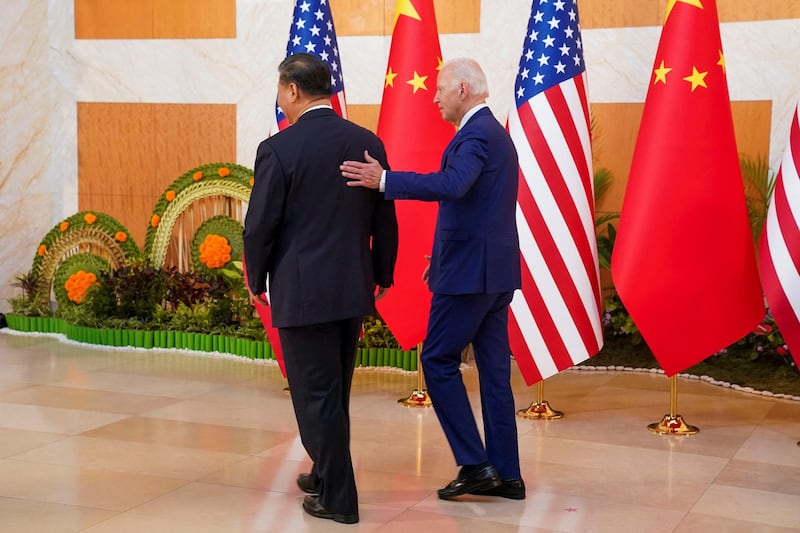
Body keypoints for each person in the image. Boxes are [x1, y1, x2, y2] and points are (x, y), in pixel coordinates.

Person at [340, 57, 525, 501]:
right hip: (492, 273)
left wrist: (384, 180)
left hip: (469, 279)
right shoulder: (491, 134)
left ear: (463, 88)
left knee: (438, 360)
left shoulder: (477, 134)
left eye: (440, 89)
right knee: (495, 375)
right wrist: (441, 255)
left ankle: (476, 465)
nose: (434, 96)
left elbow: (453, 185)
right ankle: (507, 474)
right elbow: (476, 207)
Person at [243, 53, 398, 524]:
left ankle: (339, 499)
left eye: (278, 89)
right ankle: (324, 475)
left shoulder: (280, 150)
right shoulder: (367, 142)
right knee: (333, 392)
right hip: (352, 289)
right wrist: (382, 274)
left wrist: (256, 279)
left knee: (315, 396)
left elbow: (257, 228)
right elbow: (384, 218)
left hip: (302, 293)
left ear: (291, 90)